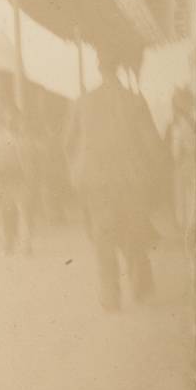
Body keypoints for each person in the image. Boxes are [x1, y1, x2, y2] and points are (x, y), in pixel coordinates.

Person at [67, 45, 162, 312]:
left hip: (96, 182)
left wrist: (78, 172)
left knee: (103, 238)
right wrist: (153, 172)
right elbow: (152, 143)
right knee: (133, 231)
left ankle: (110, 296)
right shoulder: (134, 100)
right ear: (118, 67)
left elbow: (68, 142)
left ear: (99, 68)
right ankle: (140, 285)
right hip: (130, 180)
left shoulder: (82, 103)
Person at [0, 102, 34, 256]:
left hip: (20, 177)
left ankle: (26, 244)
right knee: (6, 213)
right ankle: (9, 243)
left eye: (14, 116)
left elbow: (29, 159)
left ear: (19, 118)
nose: (11, 120)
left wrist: (30, 176)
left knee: (24, 211)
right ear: (3, 118)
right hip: (3, 178)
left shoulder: (23, 137)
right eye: (8, 116)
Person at [166, 85, 196, 249]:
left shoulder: (179, 125)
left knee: (185, 201)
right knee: (189, 199)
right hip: (191, 165)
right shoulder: (191, 122)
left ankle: (189, 235)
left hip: (184, 165)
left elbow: (176, 152)